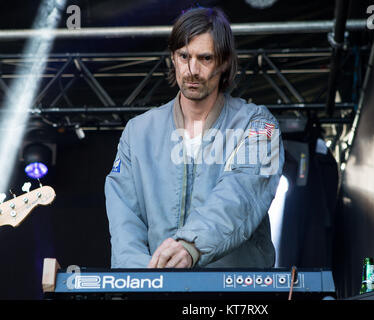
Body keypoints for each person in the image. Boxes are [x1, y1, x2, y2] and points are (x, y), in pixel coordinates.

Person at [105, 7, 284, 269]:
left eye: (205, 58)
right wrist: (142, 278)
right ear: (173, 58)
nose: (192, 70)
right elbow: (124, 219)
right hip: (156, 289)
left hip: (235, 297)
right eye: (184, 56)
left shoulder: (258, 125)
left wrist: (191, 246)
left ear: (224, 63)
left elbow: (242, 193)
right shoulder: (138, 131)